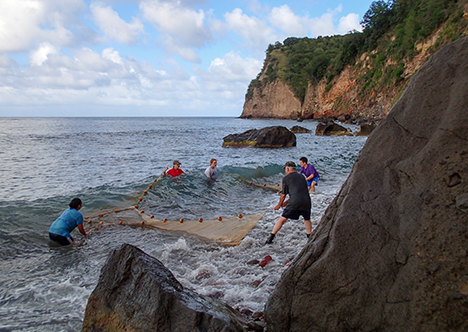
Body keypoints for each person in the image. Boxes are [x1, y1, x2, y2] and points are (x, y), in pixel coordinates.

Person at [265, 161, 311, 244]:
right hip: (306, 201)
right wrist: (286, 202)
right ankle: (310, 237)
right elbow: (299, 192)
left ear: (287, 169)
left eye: (285, 169)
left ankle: (270, 238)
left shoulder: (286, 178)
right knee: (306, 219)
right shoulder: (302, 177)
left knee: (282, 219)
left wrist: (279, 205)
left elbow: (283, 194)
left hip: (294, 202)